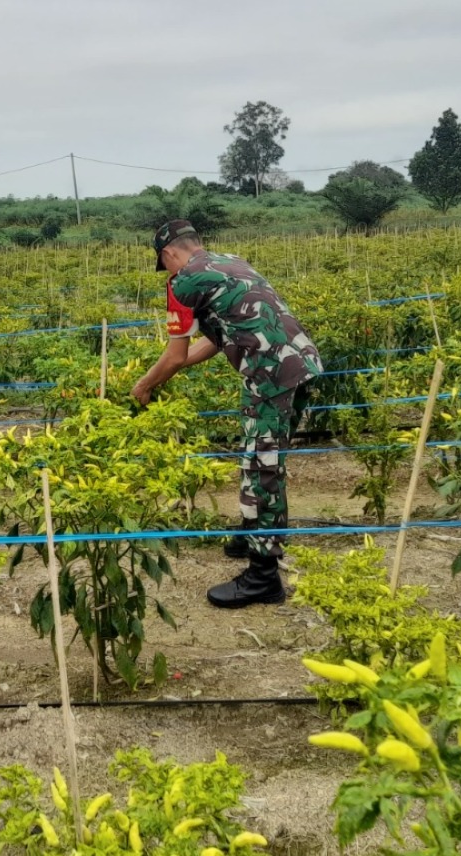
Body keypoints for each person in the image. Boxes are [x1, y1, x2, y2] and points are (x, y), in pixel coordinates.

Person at [131, 220, 321, 609]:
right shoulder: (230, 263)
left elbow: (175, 353)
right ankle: (252, 533)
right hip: (300, 363)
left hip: (270, 375)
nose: (166, 271)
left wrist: (146, 385)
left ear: (168, 254)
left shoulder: (182, 283)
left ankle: (263, 576)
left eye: (164, 263)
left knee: (261, 464)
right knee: (265, 457)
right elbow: (218, 340)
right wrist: (172, 369)